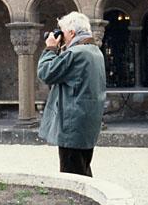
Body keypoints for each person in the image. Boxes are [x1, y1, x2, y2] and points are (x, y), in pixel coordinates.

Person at [37, 11, 107, 177]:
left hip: (72, 126)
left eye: (62, 31)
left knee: (72, 176)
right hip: (86, 123)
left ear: (72, 33)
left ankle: (76, 204)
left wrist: (51, 48)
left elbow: (46, 73)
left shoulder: (77, 54)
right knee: (82, 169)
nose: (61, 35)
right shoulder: (94, 51)